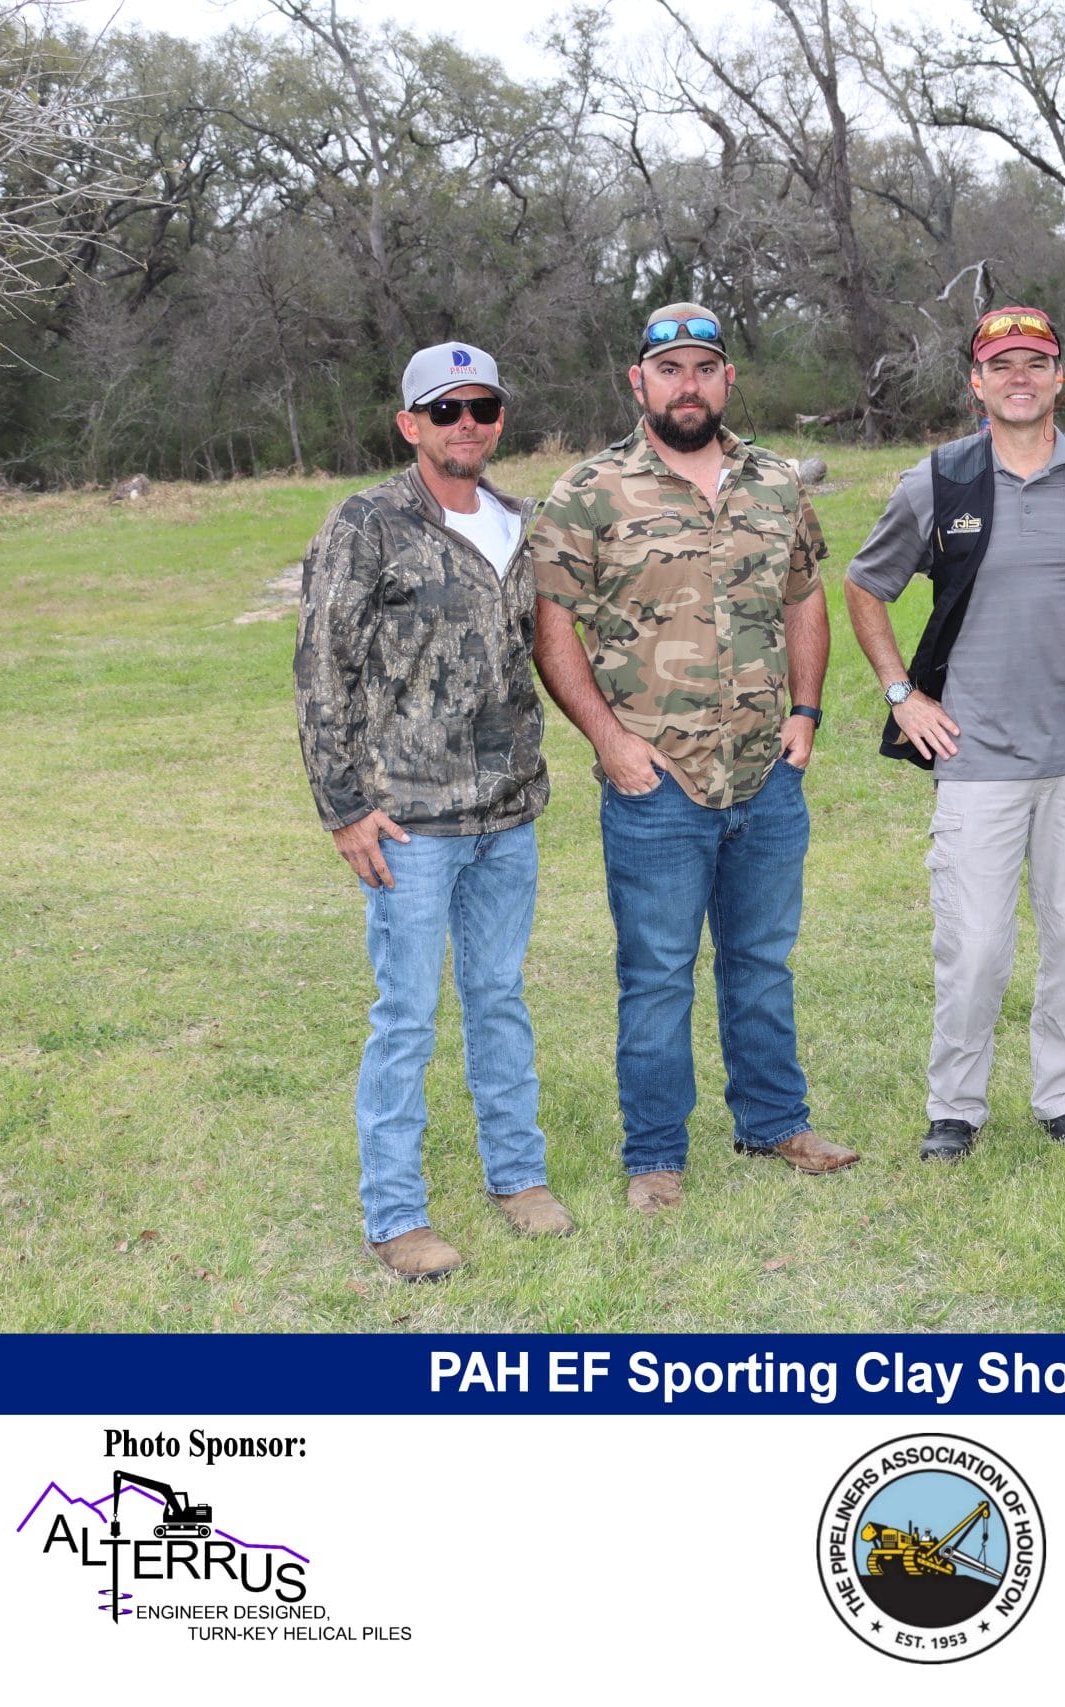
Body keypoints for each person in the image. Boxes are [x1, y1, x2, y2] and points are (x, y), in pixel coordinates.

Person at [528, 303, 856, 1214]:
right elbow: (551, 631)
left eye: (704, 368)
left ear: (727, 379)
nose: (687, 385)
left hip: (766, 774)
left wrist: (806, 712)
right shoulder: (588, 491)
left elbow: (804, 597)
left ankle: (775, 1120)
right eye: (668, 369)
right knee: (657, 975)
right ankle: (655, 1155)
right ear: (638, 382)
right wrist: (610, 741)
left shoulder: (776, 481)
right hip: (658, 785)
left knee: (762, 961)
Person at [842, 305, 1065, 1163]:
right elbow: (865, 585)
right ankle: (956, 1109)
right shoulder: (939, 481)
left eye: (1035, 363)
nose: (1020, 377)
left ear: (1060, 379)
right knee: (973, 948)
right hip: (975, 759)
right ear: (976, 383)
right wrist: (903, 694)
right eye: (1001, 364)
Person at [294, 341, 568, 1281]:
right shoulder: (366, 524)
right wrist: (344, 808)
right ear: (410, 423)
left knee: (500, 998)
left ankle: (518, 1176)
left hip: (508, 814)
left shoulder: (521, 523)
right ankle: (396, 1215)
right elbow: (321, 668)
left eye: (482, 407)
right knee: (406, 1016)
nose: (467, 425)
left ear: (500, 419)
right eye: (445, 410)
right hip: (408, 822)